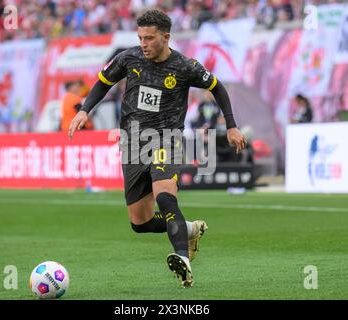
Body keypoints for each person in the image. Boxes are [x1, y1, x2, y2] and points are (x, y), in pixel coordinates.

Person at [68, 9, 246, 287]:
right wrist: (85, 110)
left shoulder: (186, 67)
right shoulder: (129, 58)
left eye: (149, 38)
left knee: (165, 197)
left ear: (166, 37)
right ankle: (187, 229)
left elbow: (218, 87)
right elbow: (103, 83)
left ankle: (183, 259)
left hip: (166, 140)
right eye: (140, 38)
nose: (144, 44)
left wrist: (232, 125)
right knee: (140, 223)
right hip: (132, 144)